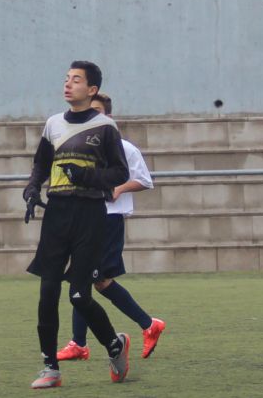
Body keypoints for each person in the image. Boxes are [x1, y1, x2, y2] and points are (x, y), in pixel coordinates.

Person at [23, 61, 131, 388]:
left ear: (92, 89)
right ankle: (50, 369)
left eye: (76, 80)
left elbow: (120, 173)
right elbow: (41, 165)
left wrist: (86, 176)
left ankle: (114, 345)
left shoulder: (105, 127)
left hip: (90, 215)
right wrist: (32, 189)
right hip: (57, 213)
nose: (68, 84)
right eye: (67, 79)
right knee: (47, 292)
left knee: (79, 296)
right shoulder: (53, 124)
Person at [57, 93, 166, 362]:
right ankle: (145, 325)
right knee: (90, 281)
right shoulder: (80, 147)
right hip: (85, 219)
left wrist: (119, 188)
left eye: (97, 111)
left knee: (90, 280)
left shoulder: (124, 148)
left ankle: (83, 342)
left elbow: (144, 180)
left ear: (109, 117)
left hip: (108, 219)